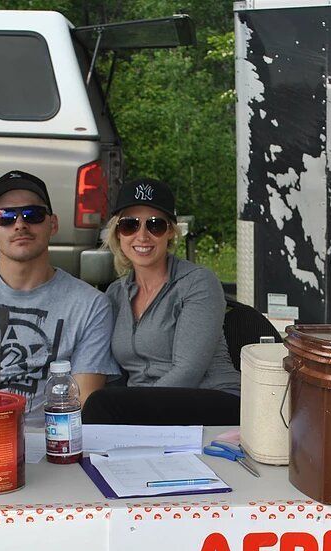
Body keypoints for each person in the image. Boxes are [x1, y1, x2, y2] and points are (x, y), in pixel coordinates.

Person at [0, 170, 119, 423]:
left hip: (49, 445)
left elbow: (83, 400)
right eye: (5, 216)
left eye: (33, 214)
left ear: (53, 224)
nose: (20, 224)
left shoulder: (91, 304)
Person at [82, 178, 241, 425]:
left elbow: (187, 372)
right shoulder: (115, 294)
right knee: (93, 401)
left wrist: (129, 408)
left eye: (155, 225)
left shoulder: (198, 282)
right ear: (118, 233)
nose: (142, 235)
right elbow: (116, 374)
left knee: (101, 404)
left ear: (170, 232)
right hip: (147, 408)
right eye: (130, 225)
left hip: (213, 399)